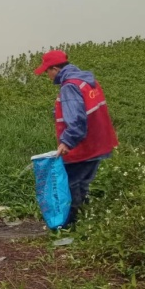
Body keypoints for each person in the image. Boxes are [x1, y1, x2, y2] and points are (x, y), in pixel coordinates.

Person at [35, 50, 118, 227]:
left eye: (47, 72)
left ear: (55, 69)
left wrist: (67, 142)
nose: (47, 76)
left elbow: (77, 120)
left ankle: (73, 226)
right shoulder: (87, 81)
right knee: (83, 185)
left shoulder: (69, 87)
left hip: (82, 147)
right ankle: (87, 223)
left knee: (72, 185)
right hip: (99, 144)